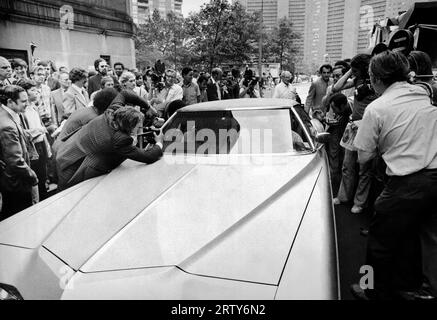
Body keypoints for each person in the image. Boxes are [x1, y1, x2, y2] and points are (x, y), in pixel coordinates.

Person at [350, 50, 437, 300]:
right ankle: (424, 289)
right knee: (426, 238)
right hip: (435, 179)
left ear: (376, 78)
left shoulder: (377, 108)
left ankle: (369, 287)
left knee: (379, 243)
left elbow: (364, 157)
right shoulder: (427, 96)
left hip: (405, 183)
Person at [56, 106, 163, 190]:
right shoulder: (121, 139)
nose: (140, 129)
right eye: (138, 126)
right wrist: (159, 143)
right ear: (129, 125)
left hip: (67, 152)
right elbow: (148, 157)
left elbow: (124, 94)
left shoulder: (107, 116)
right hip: (79, 167)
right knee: (69, 192)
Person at [333, 54, 378, 214]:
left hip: (367, 127)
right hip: (353, 126)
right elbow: (336, 88)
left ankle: (360, 202)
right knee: (347, 165)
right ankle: (343, 196)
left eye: (357, 70)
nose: (354, 72)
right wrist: (349, 71)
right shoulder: (356, 80)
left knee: (364, 169)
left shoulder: (376, 83)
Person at [0, 85, 38, 220]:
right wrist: (33, 177)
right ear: (10, 102)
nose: (27, 104)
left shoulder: (8, 115)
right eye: (23, 101)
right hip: (16, 183)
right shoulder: (7, 125)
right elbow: (15, 161)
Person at [16, 79, 52, 201]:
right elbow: (23, 133)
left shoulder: (34, 108)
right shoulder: (21, 112)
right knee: (35, 178)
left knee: (42, 177)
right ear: (24, 93)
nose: (36, 92)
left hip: (40, 146)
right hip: (32, 149)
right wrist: (40, 130)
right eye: (32, 90)